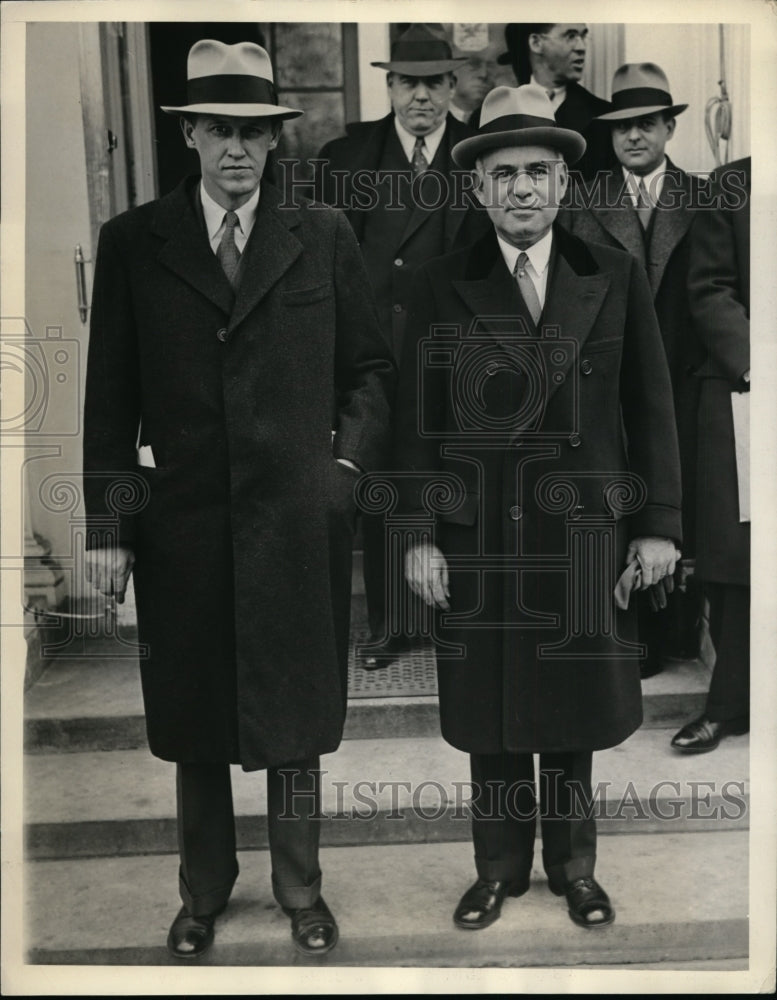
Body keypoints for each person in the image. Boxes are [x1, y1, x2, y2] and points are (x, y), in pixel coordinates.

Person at [82, 40, 394, 960]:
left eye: (252, 134)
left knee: (295, 720)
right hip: (183, 525)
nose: (235, 151)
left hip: (296, 522)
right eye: (218, 131)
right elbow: (109, 399)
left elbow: (369, 372)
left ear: (272, 142)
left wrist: (341, 472)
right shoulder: (136, 241)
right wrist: (110, 529)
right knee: (196, 717)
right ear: (189, 137)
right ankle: (202, 894)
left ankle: (302, 890)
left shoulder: (322, 233)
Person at [394, 85, 681, 930]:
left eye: (538, 173)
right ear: (479, 189)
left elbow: (651, 405)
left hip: (580, 533)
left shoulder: (612, 275)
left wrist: (659, 525)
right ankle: (495, 870)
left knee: (570, 712)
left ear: (562, 185)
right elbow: (415, 423)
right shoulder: (442, 283)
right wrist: (416, 536)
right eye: (504, 174)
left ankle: (574, 868)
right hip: (476, 536)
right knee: (489, 715)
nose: (521, 190)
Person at [315, 23, 489, 666]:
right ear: (388, 86)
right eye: (409, 83)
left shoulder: (480, 154)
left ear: (452, 86)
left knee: (459, 476)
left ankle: (459, 617)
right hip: (369, 351)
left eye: (435, 83)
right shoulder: (345, 157)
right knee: (380, 478)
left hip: (457, 347)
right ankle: (392, 623)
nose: (422, 96)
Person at [560, 63, 709, 677]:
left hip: (691, 378)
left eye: (647, 124)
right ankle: (633, 642)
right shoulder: (582, 205)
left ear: (670, 127)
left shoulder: (705, 200)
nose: (634, 138)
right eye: (622, 128)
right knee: (625, 501)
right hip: (615, 384)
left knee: (687, 502)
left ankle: (676, 635)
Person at [671, 157, 751, 752]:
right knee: (735, 560)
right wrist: (757, 363)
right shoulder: (733, 185)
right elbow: (710, 288)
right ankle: (730, 704)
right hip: (746, 389)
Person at [497, 23, 612, 181]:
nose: (581, 47)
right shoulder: (492, 115)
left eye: (583, 36)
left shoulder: (604, 117)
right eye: (570, 36)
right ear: (536, 43)